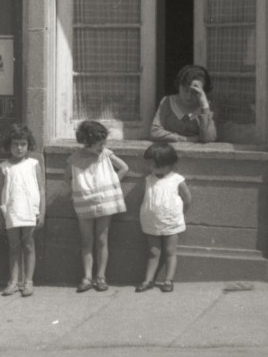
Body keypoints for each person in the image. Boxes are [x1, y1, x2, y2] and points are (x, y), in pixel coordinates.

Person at [64, 120, 129, 293]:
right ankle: (87, 277)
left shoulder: (106, 155)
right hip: (85, 203)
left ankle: (101, 276)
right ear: (87, 142)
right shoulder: (75, 159)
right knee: (86, 240)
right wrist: (79, 190)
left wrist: (111, 185)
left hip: (104, 202)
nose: (102, 147)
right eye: (99, 144)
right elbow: (67, 178)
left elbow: (124, 168)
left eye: (103, 144)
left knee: (102, 239)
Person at [0, 124, 45, 297]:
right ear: (9, 145)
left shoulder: (33, 164)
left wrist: (42, 212)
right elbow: (0, 192)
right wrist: (0, 216)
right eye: (15, 144)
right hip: (12, 211)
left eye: (23, 144)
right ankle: (14, 281)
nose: (19, 148)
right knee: (14, 247)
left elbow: (41, 190)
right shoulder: (4, 167)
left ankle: (28, 281)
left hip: (30, 210)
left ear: (28, 145)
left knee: (29, 245)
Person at [136, 141, 192, 293]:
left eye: (153, 165)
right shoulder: (148, 179)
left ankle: (168, 280)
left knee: (169, 251)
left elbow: (187, 198)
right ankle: (148, 280)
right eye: (149, 165)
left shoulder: (176, 179)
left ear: (166, 164)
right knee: (153, 252)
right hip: (151, 222)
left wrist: (179, 213)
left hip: (170, 222)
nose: (150, 168)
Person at [150, 64, 216, 143]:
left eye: (195, 92)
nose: (189, 96)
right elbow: (155, 132)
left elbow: (209, 138)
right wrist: (183, 139)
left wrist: (205, 106)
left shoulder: (207, 107)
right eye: (185, 90)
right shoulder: (167, 102)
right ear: (179, 86)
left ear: (203, 91)